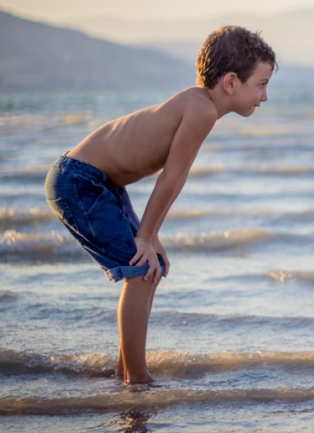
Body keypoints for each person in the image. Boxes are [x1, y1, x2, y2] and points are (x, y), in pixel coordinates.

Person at [45, 26, 277, 383]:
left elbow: (176, 178)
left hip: (101, 183)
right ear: (231, 82)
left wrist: (152, 237)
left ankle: (125, 370)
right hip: (79, 181)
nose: (264, 96)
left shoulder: (201, 106)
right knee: (139, 271)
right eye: (261, 84)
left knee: (152, 267)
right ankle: (136, 380)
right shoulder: (200, 109)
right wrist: (144, 239)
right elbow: (170, 178)